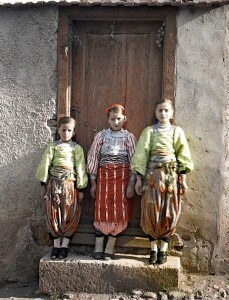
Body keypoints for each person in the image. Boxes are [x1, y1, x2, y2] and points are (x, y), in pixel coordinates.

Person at [131, 98, 194, 265]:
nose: (163, 113)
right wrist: (138, 179)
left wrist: (183, 179)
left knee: (169, 211)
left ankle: (164, 249)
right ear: (155, 113)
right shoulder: (149, 132)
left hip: (171, 178)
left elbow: (183, 155)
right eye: (160, 110)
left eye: (166, 110)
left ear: (172, 113)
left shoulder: (176, 131)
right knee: (152, 209)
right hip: (152, 177)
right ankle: (153, 249)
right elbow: (141, 155)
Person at [87, 104, 137, 260]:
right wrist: (93, 182)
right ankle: (99, 245)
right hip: (104, 177)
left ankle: (110, 246)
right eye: (113, 119)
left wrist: (131, 183)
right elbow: (93, 156)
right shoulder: (101, 136)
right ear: (108, 120)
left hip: (122, 179)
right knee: (102, 208)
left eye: (119, 119)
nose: (116, 122)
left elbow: (134, 160)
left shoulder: (128, 137)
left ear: (125, 119)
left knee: (119, 209)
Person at [36, 116, 88, 259]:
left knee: (69, 213)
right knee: (54, 214)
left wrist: (81, 188)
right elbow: (45, 164)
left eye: (69, 130)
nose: (66, 133)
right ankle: (56, 246)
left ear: (74, 132)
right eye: (63, 130)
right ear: (58, 130)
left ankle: (65, 246)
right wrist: (43, 184)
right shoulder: (53, 147)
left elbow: (81, 168)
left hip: (70, 186)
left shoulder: (76, 149)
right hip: (54, 185)